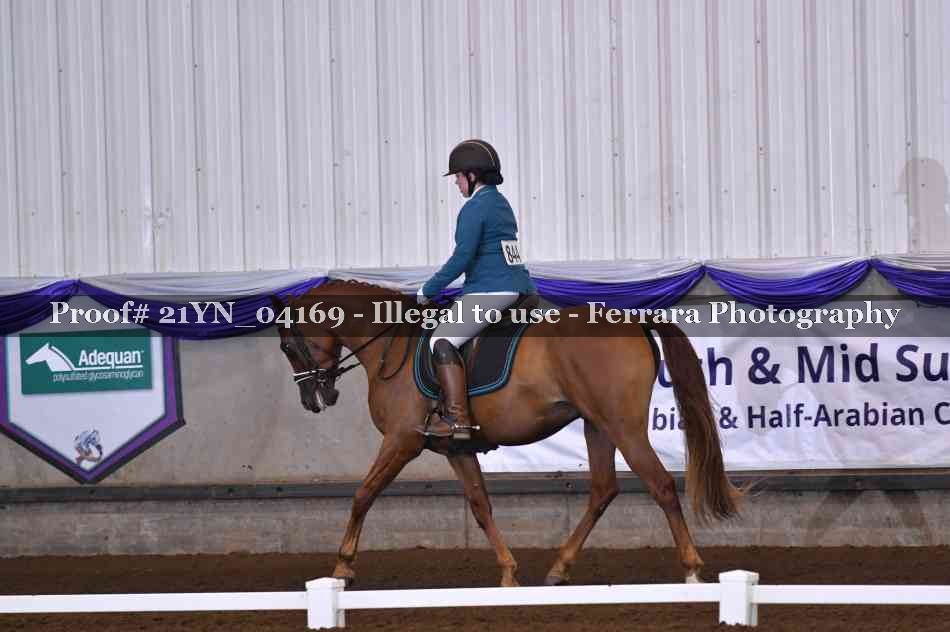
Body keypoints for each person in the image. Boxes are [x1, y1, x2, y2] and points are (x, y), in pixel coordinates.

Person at [416, 139, 537, 440]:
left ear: (472, 175)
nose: (456, 182)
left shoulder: (475, 207)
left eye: (458, 176)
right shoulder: (501, 203)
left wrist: (428, 290)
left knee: (441, 341)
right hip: (522, 288)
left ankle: (457, 420)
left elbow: (462, 257)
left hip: (491, 291)